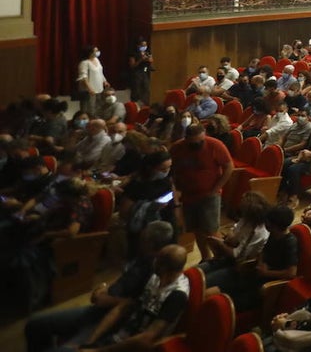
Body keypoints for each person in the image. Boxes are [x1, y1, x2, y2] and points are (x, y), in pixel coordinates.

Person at [24, 220, 175, 352]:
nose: (139, 239)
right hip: (97, 309)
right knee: (35, 325)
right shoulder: (142, 256)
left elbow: (133, 306)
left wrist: (104, 299)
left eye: (143, 238)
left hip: (112, 322)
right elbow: (123, 279)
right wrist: (104, 287)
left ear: (152, 244)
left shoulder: (158, 273)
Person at [72, 245, 190, 352]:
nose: (154, 262)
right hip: (119, 337)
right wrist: (90, 344)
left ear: (164, 268)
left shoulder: (177, 295)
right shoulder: (154, 277)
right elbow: (122, 307)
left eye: (158, 260)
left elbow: (146, 339)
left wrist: (98, 351)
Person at [169, 123, 233, 260]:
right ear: (186, 139)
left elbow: (229, 167)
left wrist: (216, 189)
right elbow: (171, 170)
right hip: (188, 195)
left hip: (209, 194)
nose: (198, 145)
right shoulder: (177, 148)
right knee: (196, 229)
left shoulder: (215, 145)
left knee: (211, 230)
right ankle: (205, 257)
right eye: (194, 143)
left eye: (201, 141)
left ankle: (220, 257)